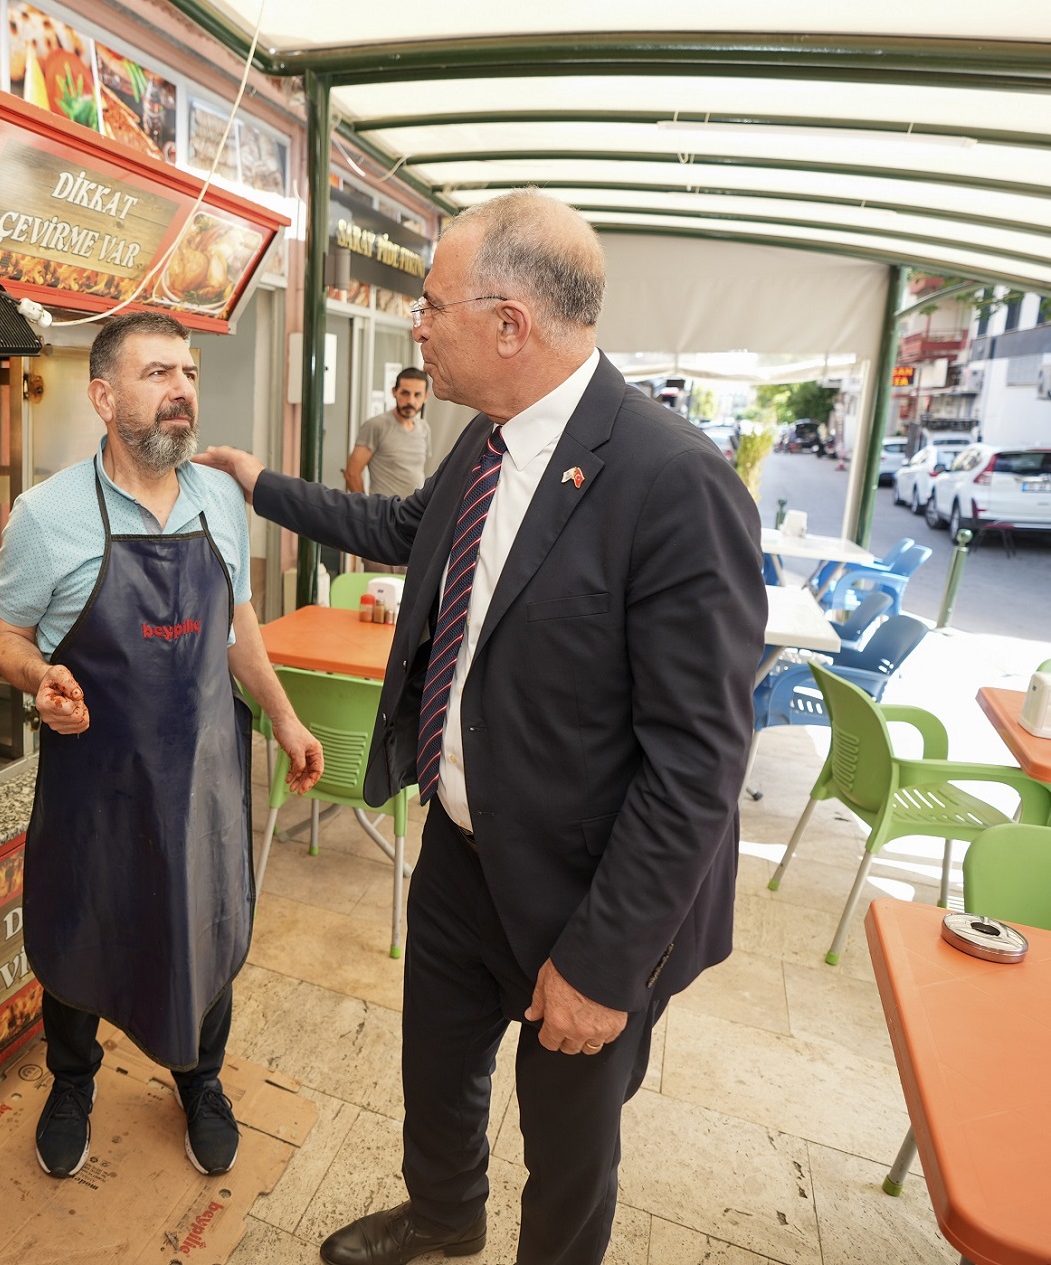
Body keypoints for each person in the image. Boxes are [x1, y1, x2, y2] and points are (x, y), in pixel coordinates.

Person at [196, 191, 764, 1265]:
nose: (417, 325)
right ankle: (442, 1215)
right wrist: (259, 485)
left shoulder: (673, 480)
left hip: (584, 885)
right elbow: (397, 528)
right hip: (460, 853)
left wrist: (603, 962)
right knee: (436, 1072)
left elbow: (696, 764)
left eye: (430, 304)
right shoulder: (486, 441)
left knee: (568, 1140)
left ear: (509, 323)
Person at [0, 311, 323, 1182]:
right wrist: (39, 679)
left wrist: (284, 718)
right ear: (103, 396)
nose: (182, 391)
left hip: (205, 775)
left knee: (203, 925)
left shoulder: (219, 501)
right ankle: (72, 1080)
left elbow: (238, 622)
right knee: (79, 927)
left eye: (190, 373)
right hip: (96, 781)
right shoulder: (46, 514)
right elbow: (3, 634)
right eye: (158, 373)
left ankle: (200, 1079)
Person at [345, 367, 431, 497]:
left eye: (417, 395)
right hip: (384, 513)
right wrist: (367, 510)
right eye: (405, 393)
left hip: (415, 513)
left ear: (425, 396)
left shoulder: (424, 428)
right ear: (394, 392)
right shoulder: (376, 426)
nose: (410, 401)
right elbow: (352, 473)